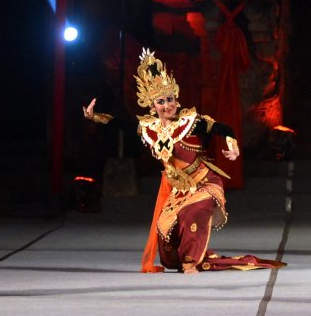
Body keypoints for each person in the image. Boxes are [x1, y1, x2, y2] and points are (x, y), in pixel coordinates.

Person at [82, 48, 283, 274]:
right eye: (161, 101)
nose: (167, 105)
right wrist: (96, 117)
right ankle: (188, 259)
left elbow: (222, 128)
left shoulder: (189, 122)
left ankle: (192, 261)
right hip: (178, 189)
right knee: (165, 232)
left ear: (176, 100)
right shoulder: (149, 129)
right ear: (152, 105)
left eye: (170, 99)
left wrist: (233, 146)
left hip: (205, 181)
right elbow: (123, 125)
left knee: (194, 212)